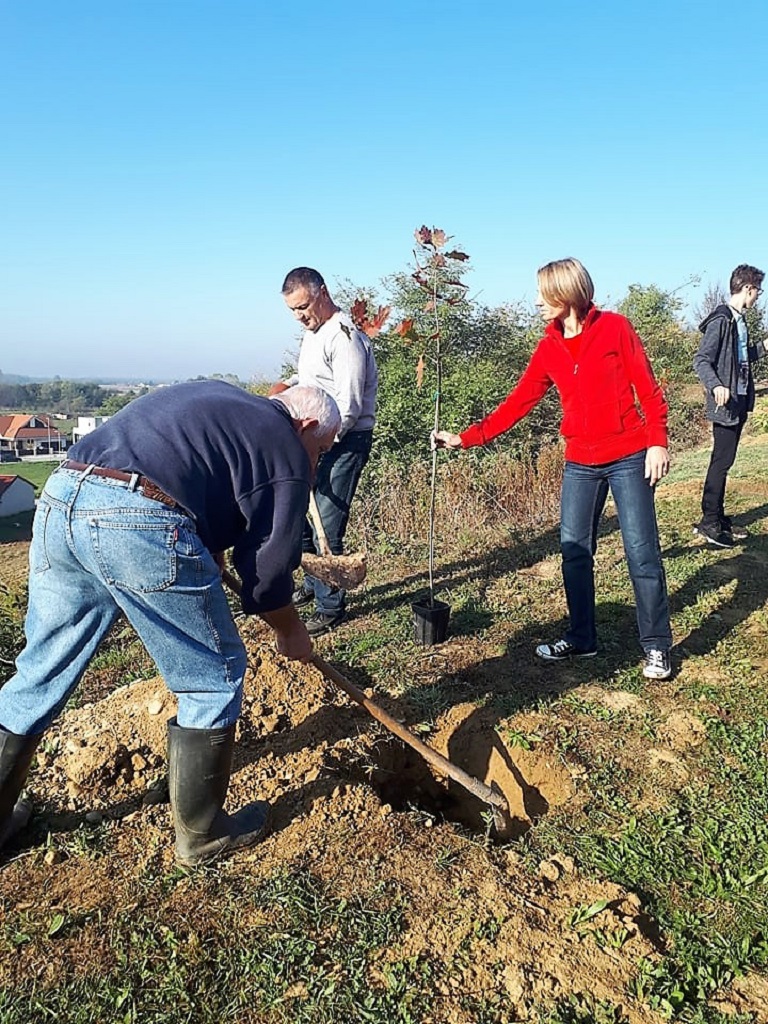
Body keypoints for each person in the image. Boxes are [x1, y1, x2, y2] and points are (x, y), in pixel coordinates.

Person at [0, 380, 341, 866]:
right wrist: (291, 630)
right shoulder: (286, 447)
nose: (316, 462)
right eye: (321, 450)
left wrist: (209, 550)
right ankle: (202, 836)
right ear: (306, 426)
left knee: (41, 668)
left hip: (63, 494)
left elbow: (198, 475)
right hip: (133, 517)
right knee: (212, 679)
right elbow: (267, 572)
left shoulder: (225, 400)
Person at [433, 258, 673, 681]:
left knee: (641, 552)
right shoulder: (549, 348)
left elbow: (648, 388)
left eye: (544, 296)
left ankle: (655, 646)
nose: (538, 303)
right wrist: (466, 437)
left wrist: (657, 440)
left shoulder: (616, 328)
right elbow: (517, 403)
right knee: (574, 552)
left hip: (628, 454)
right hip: (580, 461)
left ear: (566, 295)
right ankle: (582, 638)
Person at [271, 267, 378, 636]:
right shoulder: (312, 334)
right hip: (312, 436)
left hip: (343, 441)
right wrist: (288, 385)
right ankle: (312, 583)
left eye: (303, 306)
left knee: (326, 526)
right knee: (300, 517)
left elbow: (347, 406)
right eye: (292, 310)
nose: (299, 315)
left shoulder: (344, 337)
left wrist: (323, 446)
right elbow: (314, 381)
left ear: (322, 293)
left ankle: (330, 608)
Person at [693, 264, 765, 548]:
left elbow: (740, 359)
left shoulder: (738, 321)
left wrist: (765, 347)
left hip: (738, 402)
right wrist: (716, 386)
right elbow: (701, 359)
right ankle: (710, 522)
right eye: (758, 290)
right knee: (720, 462)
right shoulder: (721, 320)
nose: (758, 296)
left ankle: (718, 518)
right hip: (725, 404)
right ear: (747, 288)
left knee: (726, 461)